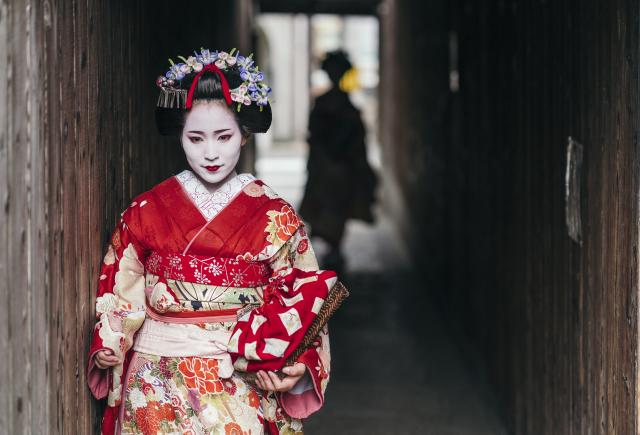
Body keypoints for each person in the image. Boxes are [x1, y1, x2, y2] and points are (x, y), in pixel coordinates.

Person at [87, 48, 337, 435]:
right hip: (157, 373)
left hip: (239, 377)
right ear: (179, 136)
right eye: (195, 138)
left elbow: (304, 297)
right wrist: (112, 338)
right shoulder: (147, 209)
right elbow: (122, 286)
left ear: (244, 134)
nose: (210, 152)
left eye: (224, 136)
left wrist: (296, 363)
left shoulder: (276, 215)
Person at [299, 50, 377, 273]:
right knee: (329, 206)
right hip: (329, 166)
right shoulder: (333, 104)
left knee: (336, 207)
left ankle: (334, 247)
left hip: (338, 166)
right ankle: (332, 247)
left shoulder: (342, 105)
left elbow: (355, 137)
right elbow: (315, 135)